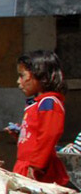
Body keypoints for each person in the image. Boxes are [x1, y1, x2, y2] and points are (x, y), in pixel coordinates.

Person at [8, 50, 69, 185]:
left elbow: (48, 135)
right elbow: (36, 134)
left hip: (40, 173)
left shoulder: (49, 103)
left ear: (39, 75)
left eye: (22, 76)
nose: (19, 82)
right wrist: (20, 134)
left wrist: (36, 166)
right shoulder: (36, 104)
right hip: (25, 166)